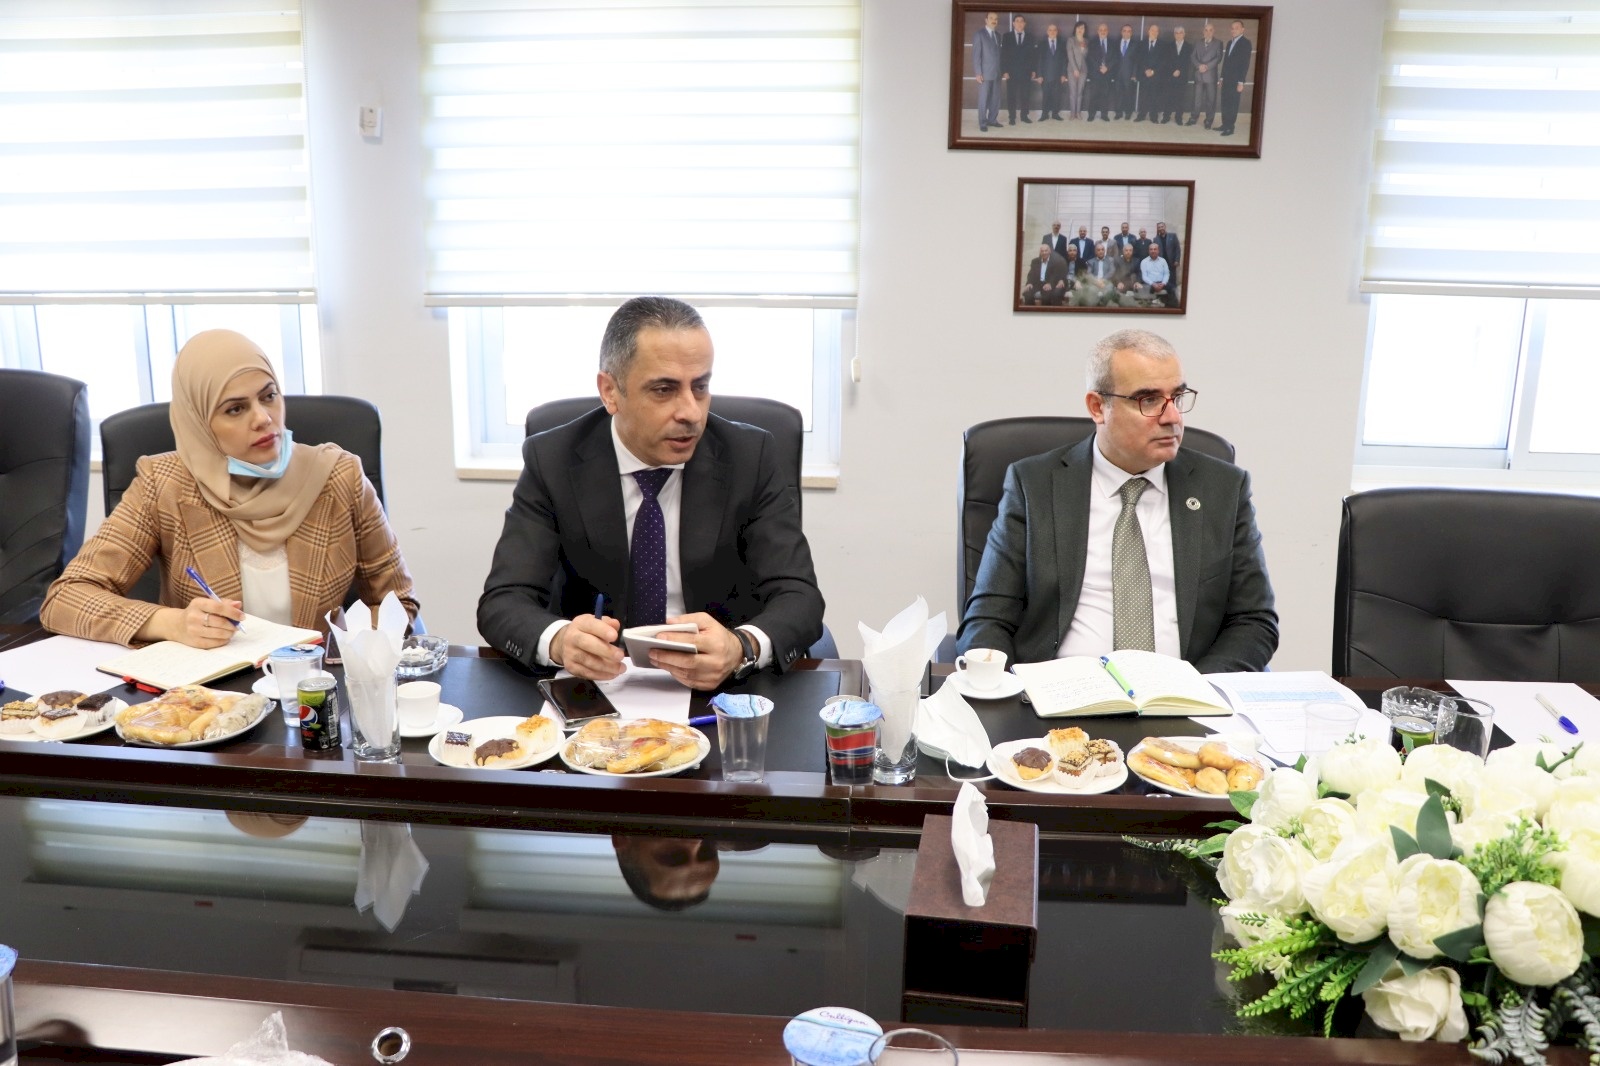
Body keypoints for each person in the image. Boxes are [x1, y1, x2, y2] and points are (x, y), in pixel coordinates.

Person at [477, 296, 824, 691]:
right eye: (664, 389)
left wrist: (741, 646)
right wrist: (559, 641)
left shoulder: (750, 456)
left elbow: (799, 597)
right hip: (599, 686)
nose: (691, 412)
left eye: (700, 387)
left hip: (720, 687)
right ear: (610, 391)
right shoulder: (553, 459)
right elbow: (504, 601)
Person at [41, 330, 419, 646]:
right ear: (199, 422)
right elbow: (66, 598)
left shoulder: (338, 476)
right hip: (209, 696)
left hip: (314, 689)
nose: (263, 418)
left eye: (268, 396)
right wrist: (172, 623)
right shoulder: (164, 484)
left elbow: (397, 603)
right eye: (235, 409)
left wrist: (353, 656)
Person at [956, 330, 1277, 672]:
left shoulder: (1223, 488)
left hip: (1184, 690)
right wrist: (1004, 689)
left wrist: (1198, 688)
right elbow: (988, 617)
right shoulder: (1034, 484)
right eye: (1149, 400)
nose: (1172, 417)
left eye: (1177, 397)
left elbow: (1254, 621)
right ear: (1098, 407)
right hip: (1059, 690)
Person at [1218, 19, 1253, 137]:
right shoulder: (1229, 43)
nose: (1233, 30)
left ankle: (1230, 127)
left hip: (1236, 80)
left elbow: (1245, 64)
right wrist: (1221, 78)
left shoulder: (1246, 43)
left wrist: (1241, 82)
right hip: (1226, 79)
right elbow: (1225, 62)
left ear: (1242, 29)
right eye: (1232, 28)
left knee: (1233, 104)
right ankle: (1224, 125)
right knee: (1225, 102)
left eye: (1236, 28)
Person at [1001, 14, 1036, 125]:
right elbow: (1003, 54)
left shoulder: (1030, 37)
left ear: (1024, 23)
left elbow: (1033, 55)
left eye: (1021, 21)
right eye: (1017, 21)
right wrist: (1004, 71)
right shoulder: (1007, 36)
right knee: (1011, 96)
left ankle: (1024, 116)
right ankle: (1012, 117)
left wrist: (1033, 70)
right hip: (1011, 72)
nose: (1019, 23)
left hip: (1026, 72)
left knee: (1025, 95)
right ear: (1013, 23)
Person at [972, 11, 1002, 132]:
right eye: (991, 18)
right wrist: (978, 72)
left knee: (995, 99)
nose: (994, 20)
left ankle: (992, 120)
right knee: (983, 99)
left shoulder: (998, 35)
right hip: (984, 73)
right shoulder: (979, 34)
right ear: (986, 20)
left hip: (997, 72)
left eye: (996, 19)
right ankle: (983, 123)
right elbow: (976, 55)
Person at [1135, 23, 1169, 122]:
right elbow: (1139, 59)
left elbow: (1164, 61)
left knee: (1155, 96)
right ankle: (1141, 115)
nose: (1154, 32)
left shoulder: (1163, 45)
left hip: (1156, 75)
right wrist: (1146, 70)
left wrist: (1153, 71)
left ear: (1158, 33)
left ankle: (1153, 116)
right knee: (1143, 95)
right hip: (1144, 74)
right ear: (1148, 31)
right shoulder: (1142, 44)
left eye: (1156, 31)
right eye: (1152, 30)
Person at [1190, 22, 1222, 127]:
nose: (1208, 32)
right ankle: (1193, 118)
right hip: (1199, 75)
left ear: (1214, 31)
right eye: (1206, 30)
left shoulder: (1218, 43)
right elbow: (1193, 56)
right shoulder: (1198, 42)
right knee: (1196, 99)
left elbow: (1218, 58)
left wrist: (1207, 67)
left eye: (1210, 30)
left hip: (1210, 76)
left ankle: (1209, 121)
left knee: (1211, 100)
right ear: (1203, 31)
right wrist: (1199, 66)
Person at [1035, 22, 1069, 120]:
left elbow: (1064, 60)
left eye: (1054, 30)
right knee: (1046, 96)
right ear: (1047, 32)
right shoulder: (1042, 44)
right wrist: (1039, 75)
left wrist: (1063, 74)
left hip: (1058, 75)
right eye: (1050, 30)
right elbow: (1039, 60)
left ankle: (1055, 114)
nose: (1052, 32)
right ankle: (1044, 114)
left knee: (1057, 96)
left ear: (1057, 32)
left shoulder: (1062, 44)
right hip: (1045, 75)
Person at [1086, 22, 1114, 121]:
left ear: (1107, 31)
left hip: (1107, 73)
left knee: (1105, 95)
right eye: (1101, 30)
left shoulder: (1112, 43)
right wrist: (1099, 67)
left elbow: (1115, 58)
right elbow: (1090, 57)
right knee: (1093, 95)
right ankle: (1091, 115)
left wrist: (1107, 67)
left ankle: (1104, 115)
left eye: (1105, 30)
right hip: (1095, 73)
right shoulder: (1092, 42)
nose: (1103, 32)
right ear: (1098, 31)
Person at [1113, 24, 1138, 119]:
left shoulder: (1135, 44)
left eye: (1129, 31)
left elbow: (1136, 61)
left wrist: (1134, 74)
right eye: (1124, 31)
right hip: (1117, 73)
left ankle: (1128, 113)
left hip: (1129, 74)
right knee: (1118, 93)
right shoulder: (1116, 43)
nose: (1126, 33)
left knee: (1128, 94)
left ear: (1131, 33)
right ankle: (1118, 113)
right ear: (1121, 32)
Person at [1166, 26, 1190, 125]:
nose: (1178, 35)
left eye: (1181, 33)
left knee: (1180, 98)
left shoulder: (1189, 46)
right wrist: (1173, 71)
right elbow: (1166, 61)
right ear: (1174, 34)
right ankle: (1166, 116)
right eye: (1176, 33)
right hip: (1170, 76)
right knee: (1168, 97)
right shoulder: (1169, 46)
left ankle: (1178, 117)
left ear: (1184, 34)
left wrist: (1180, 71)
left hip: (1182, 76)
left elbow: (1188, 62)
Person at [1065, 21, 1089, 119]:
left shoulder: (1086, 41)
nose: (1080, 30)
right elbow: (1070, 55)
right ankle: (1072, 113)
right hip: (1072, 70)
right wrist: (1075, 69)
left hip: (1083, 70)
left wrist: (1083, 50)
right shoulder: (1071, 40)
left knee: (1080, 93)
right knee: (1073, 93)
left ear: (1084, 30)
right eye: (1078, 28)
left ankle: (1078, 113)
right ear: (1075, 29)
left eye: (1082, 28)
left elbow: (1086, 56)